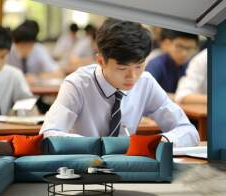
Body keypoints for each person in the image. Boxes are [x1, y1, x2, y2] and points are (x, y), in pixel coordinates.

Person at [39, 19, 199, 147]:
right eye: (122, 68)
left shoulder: (146, 82)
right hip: (84, 168)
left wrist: (159, 142)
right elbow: (48, 134)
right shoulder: (77, 84)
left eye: (139, 66)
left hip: (131, 168)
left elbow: (188, 131)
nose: (132, 76)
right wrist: (97, 145)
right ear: (101, 60)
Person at [0, 24, 33, 118]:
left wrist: (22, 111)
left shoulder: (14, 75)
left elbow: (29, 106)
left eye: (3, 57)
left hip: (6, 131)